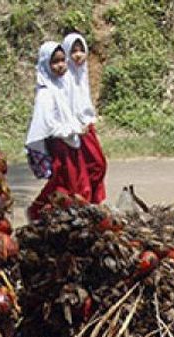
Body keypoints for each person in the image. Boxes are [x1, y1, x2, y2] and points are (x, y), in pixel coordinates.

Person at [25, 41, 89, 220]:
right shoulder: (46, 93)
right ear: (46, 64)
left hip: (71, 141)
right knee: (64, 184)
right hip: (60, 144)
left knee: (75, 182)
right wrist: (73, 129)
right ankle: (37, 211)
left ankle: (69, 215)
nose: (61, 65)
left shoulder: (61, 85)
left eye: (63, 60)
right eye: (55, 62)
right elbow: (49, 124)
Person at [61, 32, 107, 204]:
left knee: (97, 165)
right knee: (86, 169)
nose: (78, 55)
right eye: (73, 51)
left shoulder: (82, 72)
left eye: (81, 50)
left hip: (87, 127)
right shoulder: (64, 77)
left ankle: (93, 202)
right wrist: (75, 125)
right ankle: (86, 202)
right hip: (74, 130)